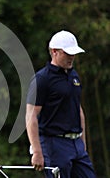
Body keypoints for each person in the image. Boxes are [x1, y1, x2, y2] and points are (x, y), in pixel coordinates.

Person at [25, 30, 96, 178]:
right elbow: (31, 116)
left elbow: (78, 110)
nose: (72, 57)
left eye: (73, 53)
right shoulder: (42, 79)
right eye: (67, 53)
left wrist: (82, 144)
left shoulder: (74, 76)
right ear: (54, 52)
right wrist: (37, 151)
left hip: (76, 144)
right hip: (53, 144)